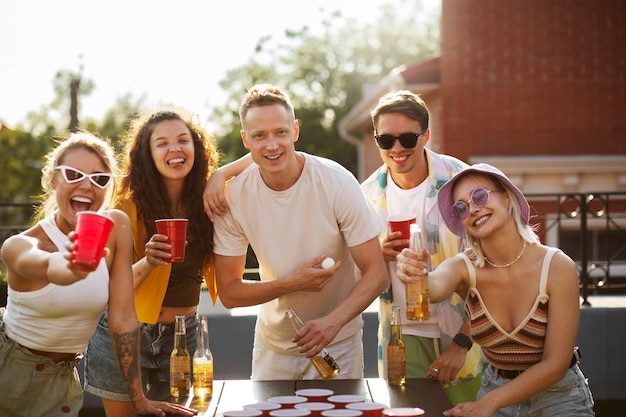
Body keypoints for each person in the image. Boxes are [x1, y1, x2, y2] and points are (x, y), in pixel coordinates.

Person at [0, 132, 196, 417]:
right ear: (52, 180)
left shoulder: (116, 225)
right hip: (10, 372)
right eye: (73, 174)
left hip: (63, 378)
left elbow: (123, 317)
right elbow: (42, 265)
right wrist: (68, 267)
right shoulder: (22, 244)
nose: (86, 185)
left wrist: (139, 400)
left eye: (99, 178)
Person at [211, 84, 389, 380]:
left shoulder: (337, 182)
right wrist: (290, 283)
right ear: (245, 139)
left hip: (339, 344)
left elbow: (377, 273)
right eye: (259, 135)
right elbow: (229, 293)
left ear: (295, 131)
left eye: (280, 132)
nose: (271, 145)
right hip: (273, 347)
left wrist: (333, 323)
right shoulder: (231, 197)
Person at [396, 163, 595, 417]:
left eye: (480, 196)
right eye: (461, 207)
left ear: (507, 198)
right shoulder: (464, 268)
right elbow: (433, 287)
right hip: (495, 389)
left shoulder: (557, 267)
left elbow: (555, 364)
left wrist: (490, 403)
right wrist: (415, 273)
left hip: (559, 397)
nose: (473, 209)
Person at [84, 108, 244, 417]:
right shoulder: (125, 205)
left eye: (184, 140)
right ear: (148, 152)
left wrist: (221, 174)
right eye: (162, 143)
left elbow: (258, 157)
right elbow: (104, 289)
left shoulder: (208, 198)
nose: (175, 149)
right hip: (127, 334)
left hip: (184, 335)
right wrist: (149, 262)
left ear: (197, 148)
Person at [360, 90, 484, 403]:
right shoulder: (366, 196)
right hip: (399, 335)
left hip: (464, 335)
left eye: (407, 138)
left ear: (426, 135)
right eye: (386, 140)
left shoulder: (462, 183)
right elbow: (356, 270)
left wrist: (462, 343)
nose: (397, 148)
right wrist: (377, 255)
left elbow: (495, 267)